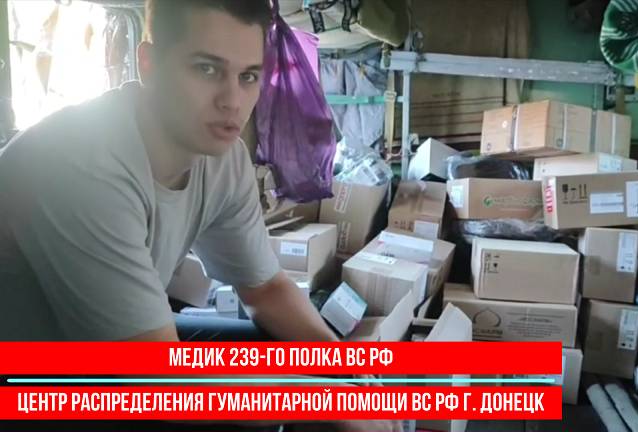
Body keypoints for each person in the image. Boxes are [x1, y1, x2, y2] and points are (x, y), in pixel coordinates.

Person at [0, 1, 400, 431]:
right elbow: (157, 381)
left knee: (294, 362)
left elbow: (266, 289)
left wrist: (347, 374)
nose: (232, 101)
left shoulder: (222, 158)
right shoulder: (81, 163)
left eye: (248, 76)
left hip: (112, 347)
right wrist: (329, 404)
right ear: (149, 64)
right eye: (207, 69)